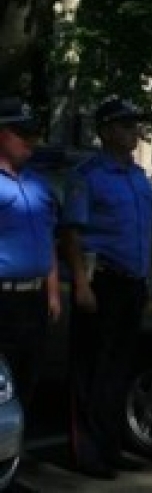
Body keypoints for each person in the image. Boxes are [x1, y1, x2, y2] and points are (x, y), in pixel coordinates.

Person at [61, 98, 152, 480]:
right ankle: (87, 453)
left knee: (119, 370)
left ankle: (111, 446)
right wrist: (82, 286)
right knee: (92, 371)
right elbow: (71, 234)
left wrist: (146, 279)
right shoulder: (87, 175)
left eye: (135, 124)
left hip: (132, 285)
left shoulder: (138, 176)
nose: (134, 131)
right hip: (101, 283)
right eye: (125, 124)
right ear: (105, 131)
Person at [0, 97, 61, 412]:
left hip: (34, 300)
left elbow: (48, 239)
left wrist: (52, 292)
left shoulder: (39, 185)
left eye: (33, 134)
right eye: (21, 134)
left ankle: (14, 455)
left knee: (28, 382)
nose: (30, 142)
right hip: (4, 300)